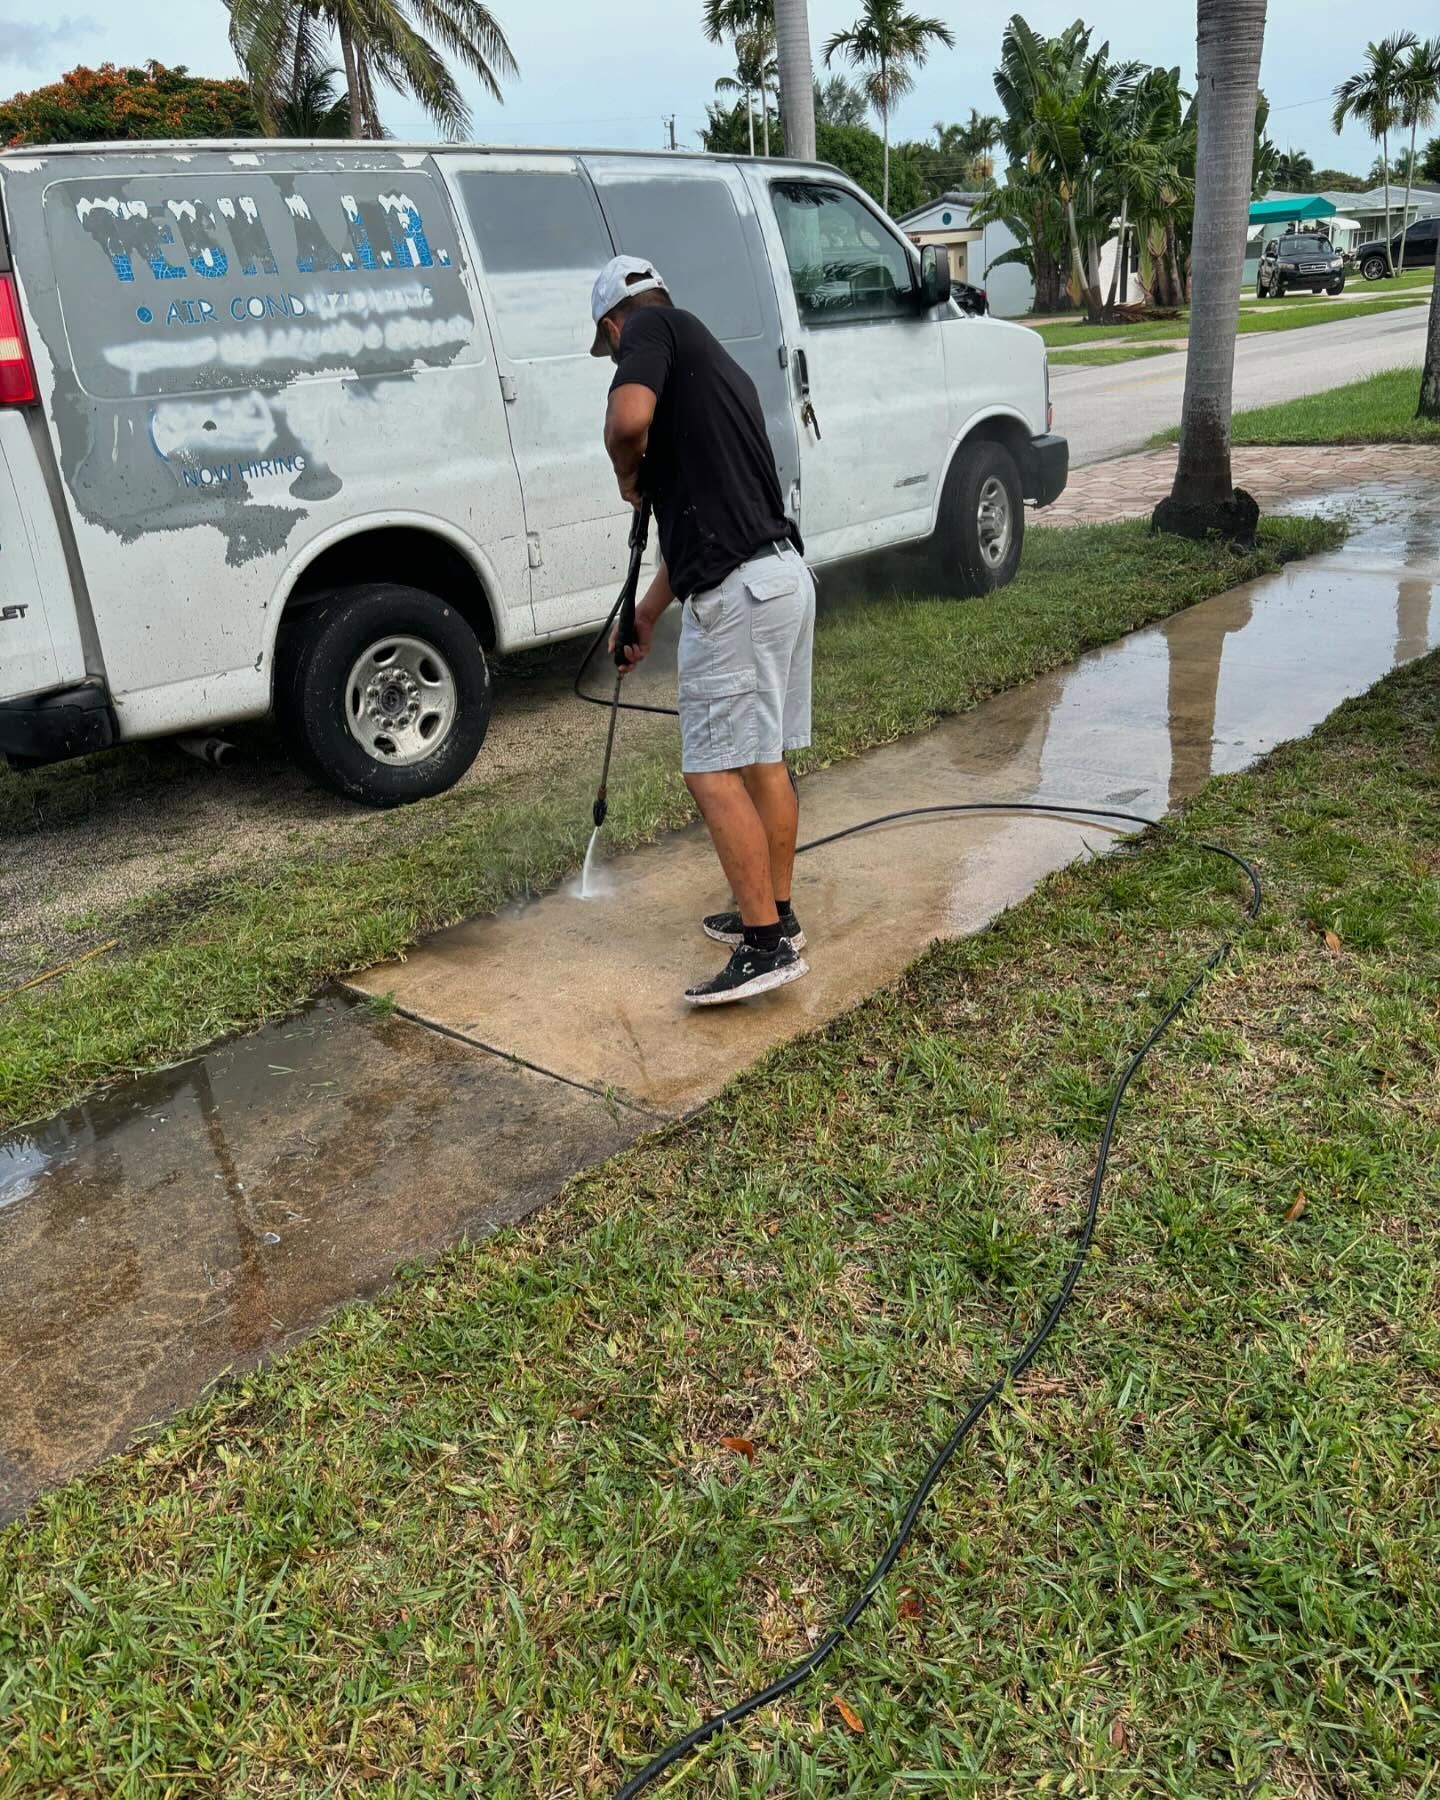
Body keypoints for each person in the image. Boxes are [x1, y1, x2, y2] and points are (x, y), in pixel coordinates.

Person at [590, 254, 816, 1007]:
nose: (618, 358)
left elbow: (627, 419)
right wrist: (648, 614)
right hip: (779, 576)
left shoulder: (651, 325)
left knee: (710, 768)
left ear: (616, 324)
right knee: (759, 759)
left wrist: (627, 467)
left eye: (610, 348)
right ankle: (775, 917)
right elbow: (712, 526)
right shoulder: (722, 373)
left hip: (740, 598)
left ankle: (764, 948)